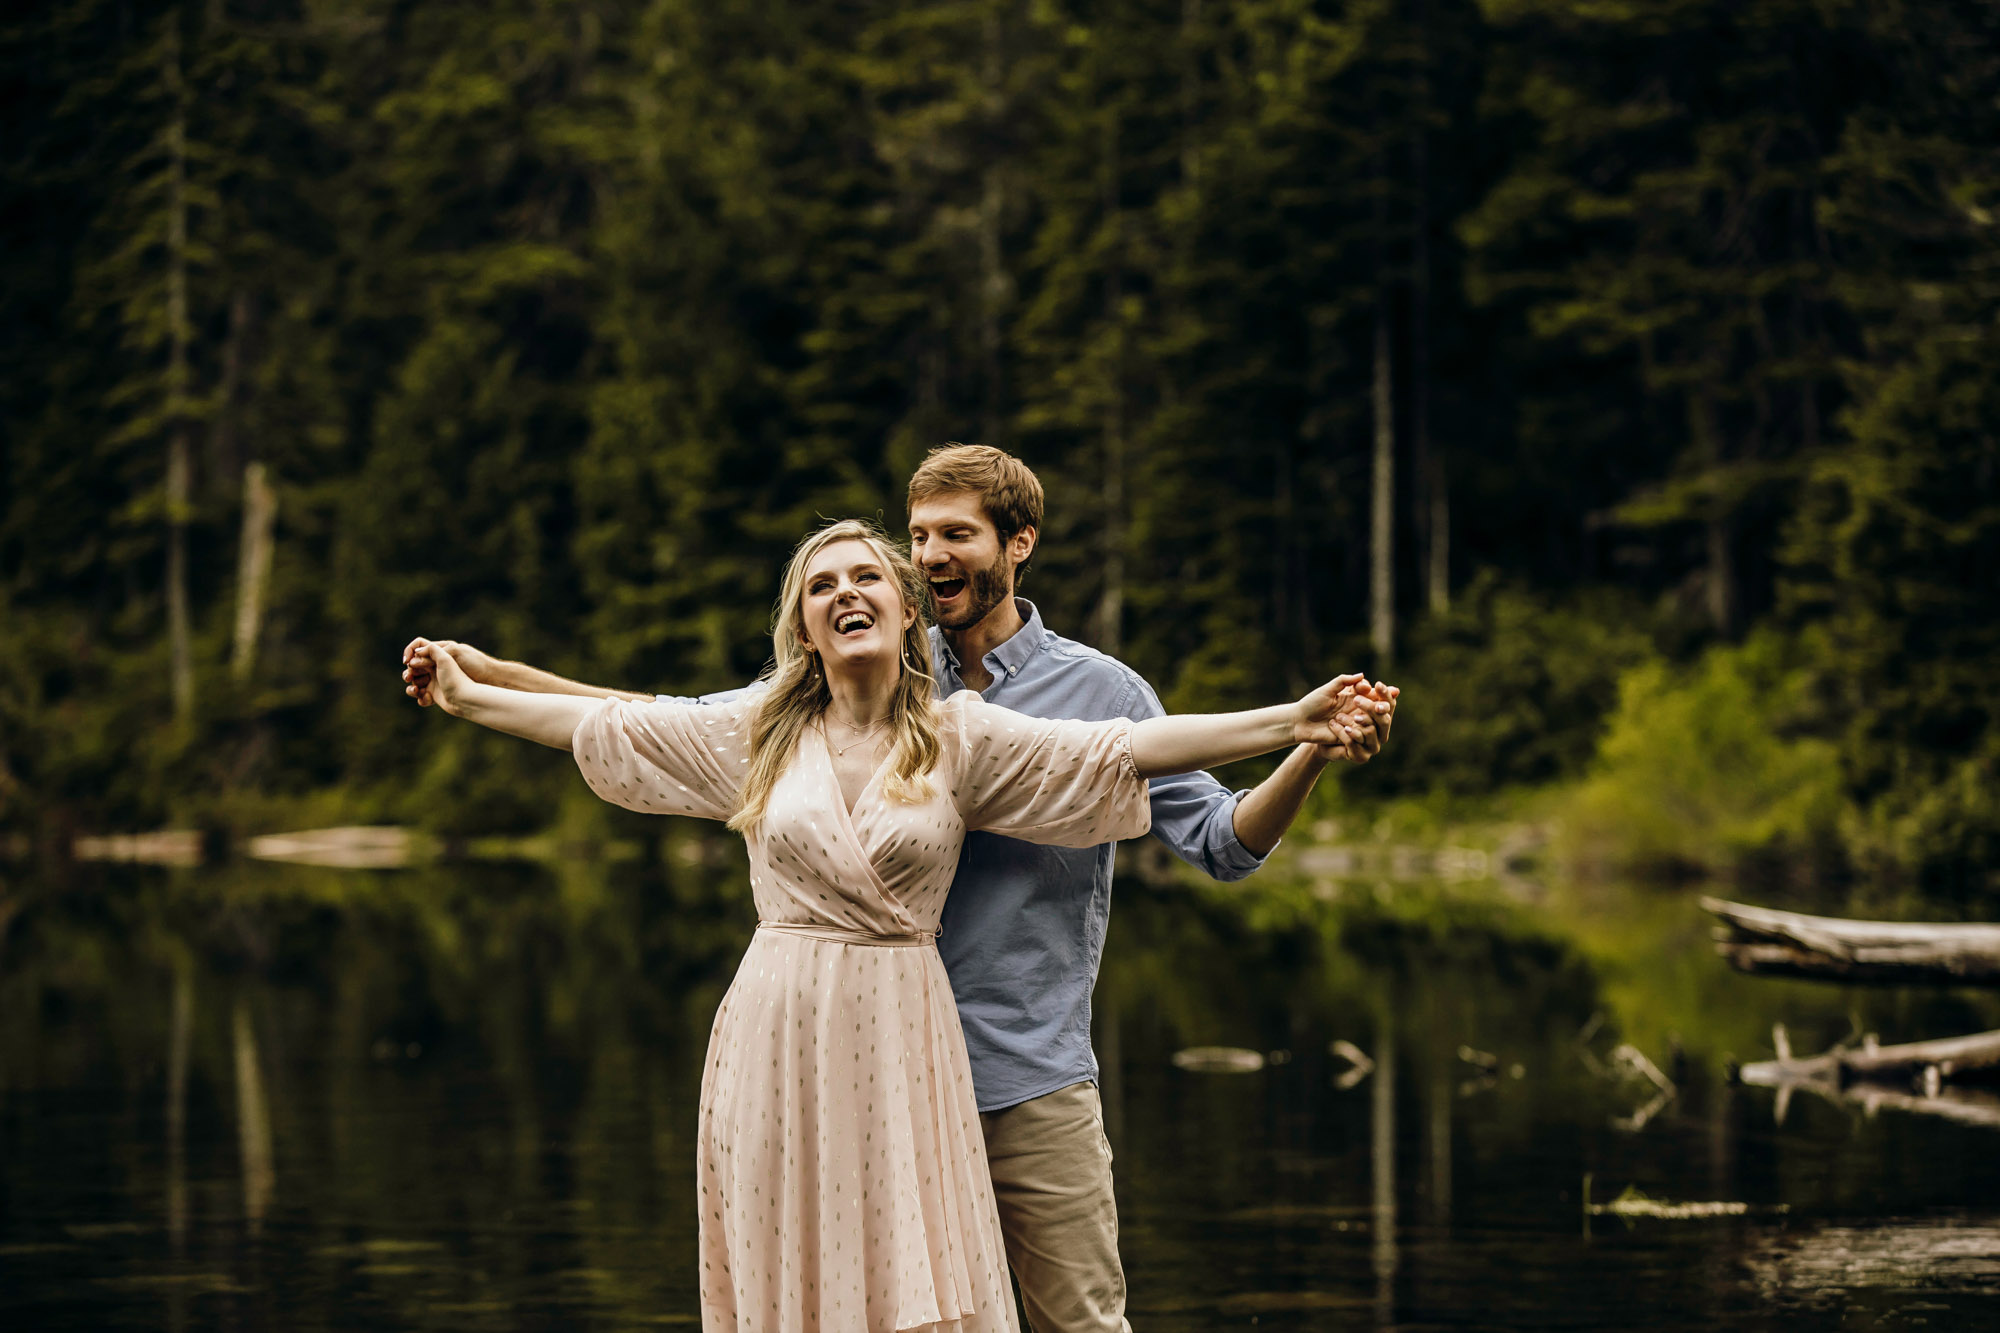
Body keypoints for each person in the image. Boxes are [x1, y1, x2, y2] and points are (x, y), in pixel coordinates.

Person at [405, 445, 1398, 1330]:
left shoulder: (1057, 702)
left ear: (1018, 544)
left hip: (1017, 1068)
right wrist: (494, 682)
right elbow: (659, 721)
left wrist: (1300, 736)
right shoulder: (840, 686)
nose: (928, 554)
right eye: (915, 535)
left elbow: (1213, 832)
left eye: (953, 534)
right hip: (839, 1068)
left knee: (1076, 1321)